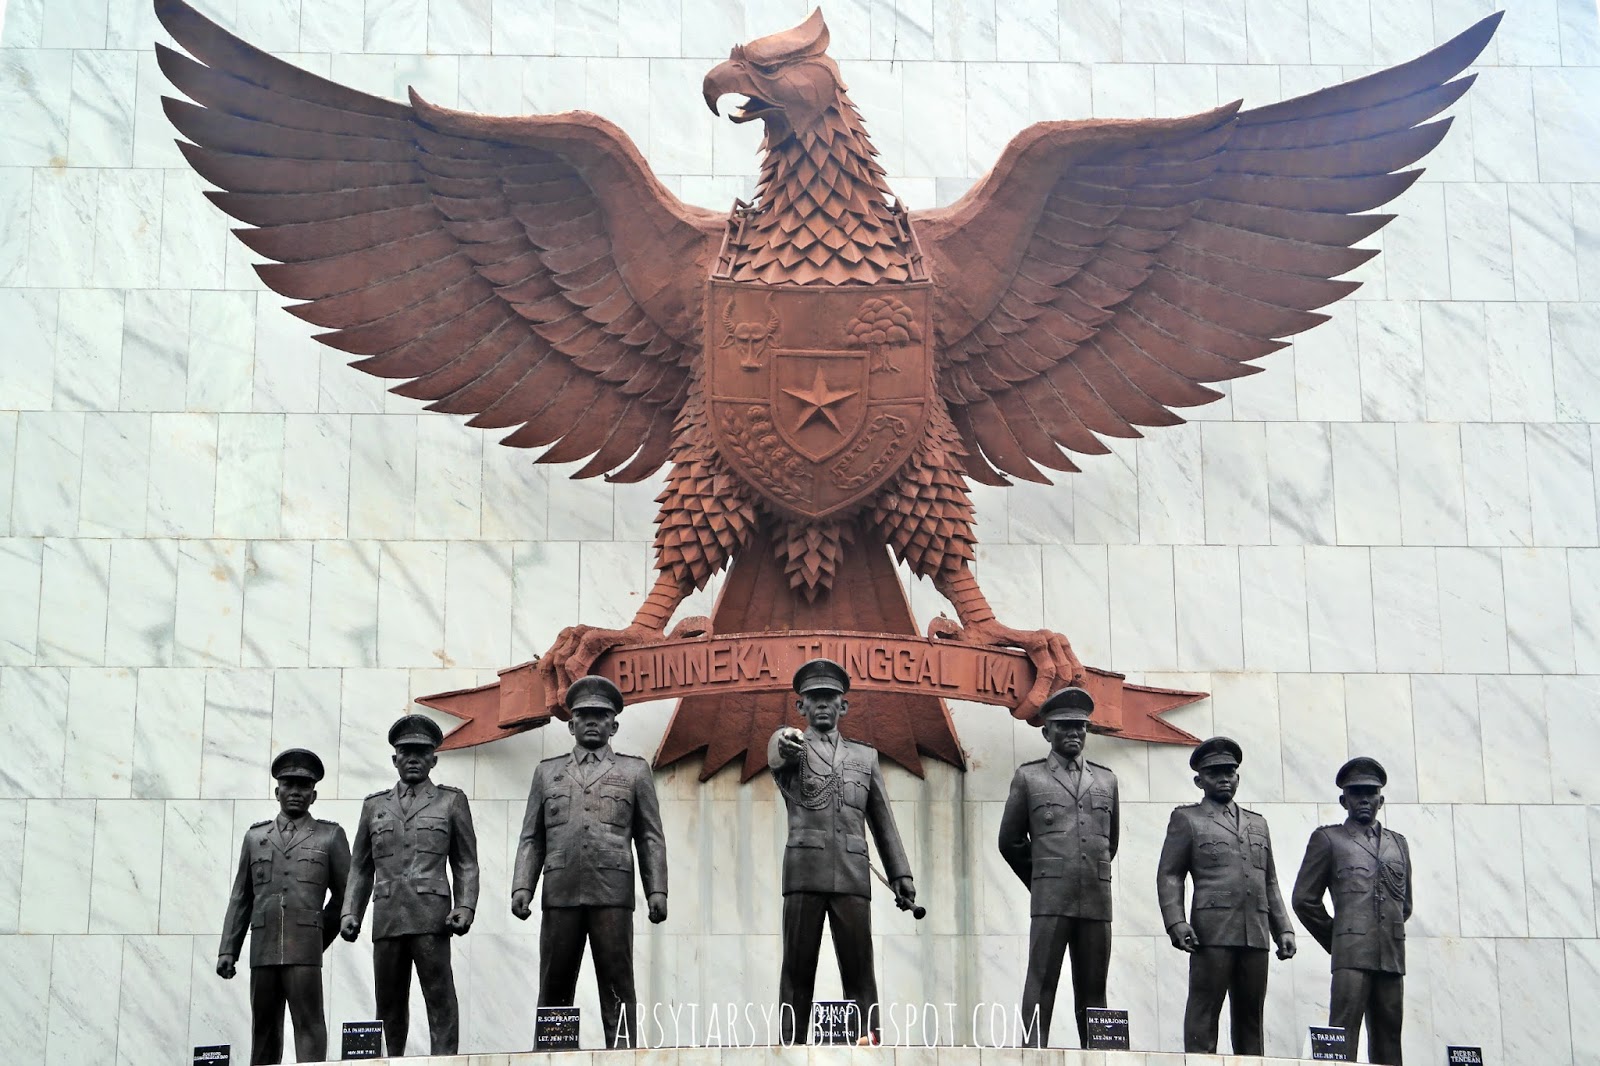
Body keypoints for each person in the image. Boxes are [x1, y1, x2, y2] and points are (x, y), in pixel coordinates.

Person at [512, 675, 668, 1049]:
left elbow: (649, 836)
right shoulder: (546, 772)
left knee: (617, 981)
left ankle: (624, 1054)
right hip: (561, 890)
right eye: (584, 716)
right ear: (571, 724)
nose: (593, 722)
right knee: (554, 983)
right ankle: (550, 1053)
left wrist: (657, 890)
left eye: (602, 716)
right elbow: (532, 836)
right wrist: (523, 886)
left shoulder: (634, 771)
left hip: (612, 891)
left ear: (614, 724)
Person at [768, 658, 914, 1044]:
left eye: (830, 698)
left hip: (852, 874)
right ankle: (791, 1047)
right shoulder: (793, 749)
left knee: (860, 970)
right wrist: (783, 739)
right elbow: (777, 750)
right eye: (812, 698)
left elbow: (882, 820)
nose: (821, 705)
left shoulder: (865, 758)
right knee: (797, 968)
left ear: (843, 706)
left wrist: (901, 874)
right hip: (804, 873)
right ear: (800, 706)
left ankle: (867, 1046)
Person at [341, 715, 479, 1056]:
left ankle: (445, 1061)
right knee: (387, 1002)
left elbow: (465, 862)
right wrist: (349, 912)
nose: (413, 758)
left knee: (439, 997)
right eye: (406, 752)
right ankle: (389, 1062)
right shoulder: (374, 806)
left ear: (434, 759)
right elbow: (360, 866)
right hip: (387, 916)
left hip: (432, 917)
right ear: (395, 759)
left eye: (422, 752)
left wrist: (464, 906)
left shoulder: (451, 802)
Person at [1155, 736, 1296, 1054]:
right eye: (1215, 773)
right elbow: (1170, 874)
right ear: (1199, 780)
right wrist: (1175, 922)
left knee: (1251, 1018)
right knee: (1204, 1012)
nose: (1223, 778)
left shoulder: (1258, 824)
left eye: (1229, 772)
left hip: (1255, 933)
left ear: (1238, 777)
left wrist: (1283, 928)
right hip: (1212, 931)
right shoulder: (1187, 819)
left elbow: (1270, 881)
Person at [998, 685, 1118, 1048]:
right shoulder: (1029, 777)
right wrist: (1043, 877)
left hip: (1096, 897)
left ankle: (1102, 1054)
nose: (1074, 733)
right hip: (1051, 897)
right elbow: (1010, 841)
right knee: (1041, 982)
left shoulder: (1106, 779)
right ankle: (1032, 1053)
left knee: (1095, 987)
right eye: (1065, 726)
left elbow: (1109, 844)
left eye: (1080, 727)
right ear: (1047, 731)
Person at [217, 748, 349, 1065]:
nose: (295, 792)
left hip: (304, 949)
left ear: (313, 795)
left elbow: (348, 895)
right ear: (277, 791)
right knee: (263, 1029)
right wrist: (227, 950)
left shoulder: (330, 837)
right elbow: (241, 898)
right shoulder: (255, 837)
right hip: (262, 949)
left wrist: (318, 935)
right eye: (288, 785)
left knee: (309, 1025)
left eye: (303, 786)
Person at [1293, 756, 1412, 1065]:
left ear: (1381, 800)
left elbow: (1405, 903)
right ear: (1343, 799)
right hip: (1350, 955)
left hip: (1391, 954)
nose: (1364, 799)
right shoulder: (1328, 839)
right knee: (1342, 1036)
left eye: (1370, 793)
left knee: (1389, 1038)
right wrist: (1339, 940)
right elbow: (1304, 899)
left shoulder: (1398, 844)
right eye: (1356, 793)